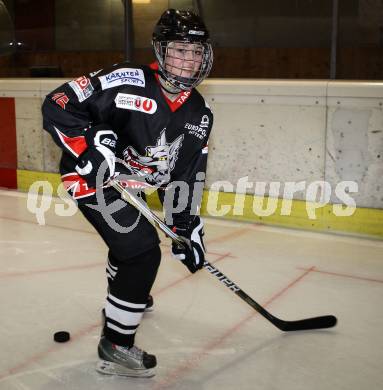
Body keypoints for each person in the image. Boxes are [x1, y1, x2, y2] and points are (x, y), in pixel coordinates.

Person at [42, 8, 214, 378]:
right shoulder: (127, 79)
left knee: (132, 248)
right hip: (92, 179)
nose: (189, 61)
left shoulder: (200, 112)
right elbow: (57, 104)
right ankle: (116, 344)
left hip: (134, 185)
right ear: (161, 51)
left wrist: (186, 228)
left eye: (196, 52)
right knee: (142, 252)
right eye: (179, 50)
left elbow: (185, 176)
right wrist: (88, 148)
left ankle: (125, 293)